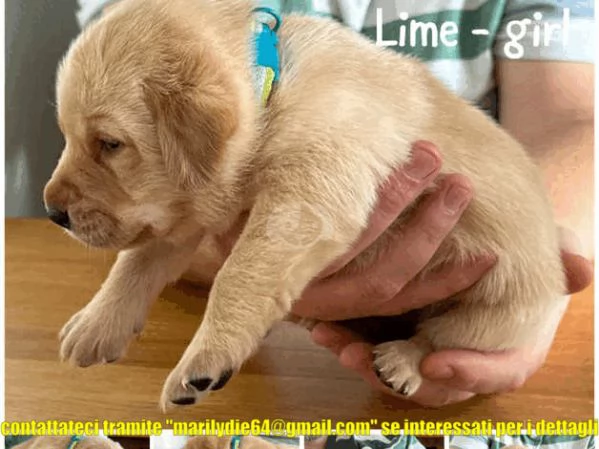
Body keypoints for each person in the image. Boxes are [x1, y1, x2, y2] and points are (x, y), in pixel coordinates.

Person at [76, 0, 594, 406]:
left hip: (476, 283)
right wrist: (130, 283)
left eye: (108, 145)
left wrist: (553, 257)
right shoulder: (160, 41)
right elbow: (173, 181)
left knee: (490, 318)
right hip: (301, 368)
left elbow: (574, 118)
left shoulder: (320, 86)